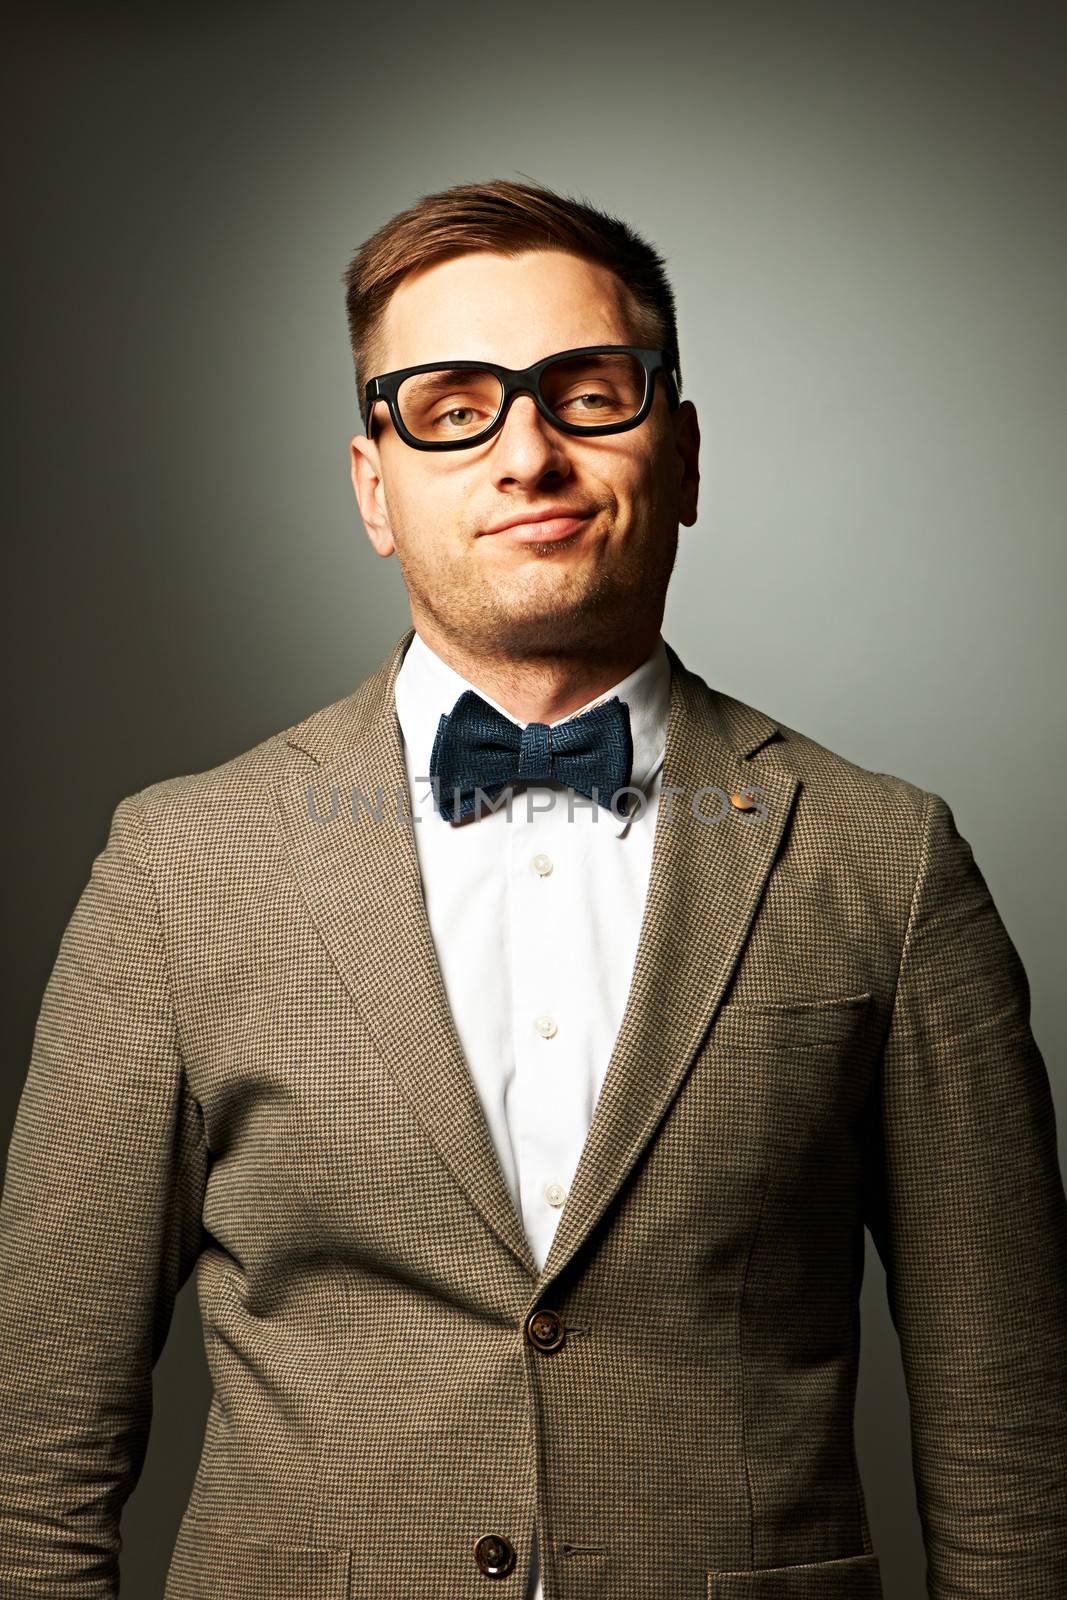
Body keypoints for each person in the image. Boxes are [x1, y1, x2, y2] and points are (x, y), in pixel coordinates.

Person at [1, 178, 1064, 1600]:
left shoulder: (892, 860)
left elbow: (1014, 1446)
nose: (528, 456)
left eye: (589, 392)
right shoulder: (178, 866)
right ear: (375, 487)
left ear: (682, 456)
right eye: (452, 404)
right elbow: (34, 1455)